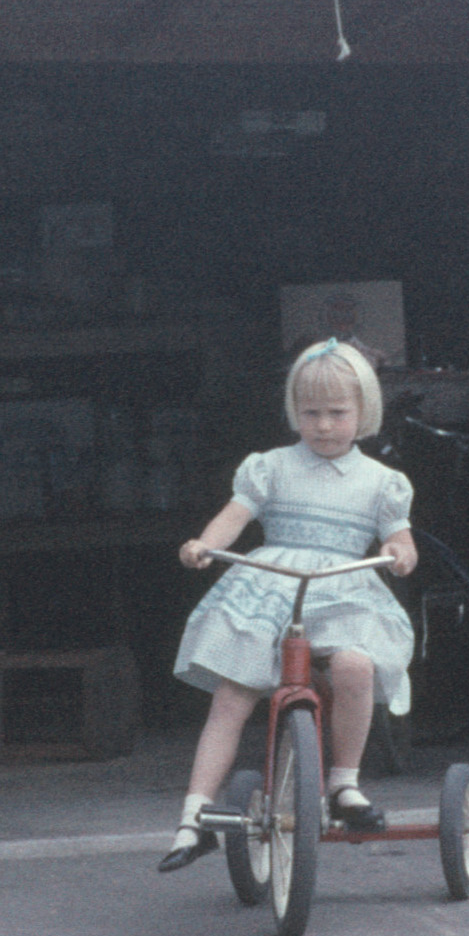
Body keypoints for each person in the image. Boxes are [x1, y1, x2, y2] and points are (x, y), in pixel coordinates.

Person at [158, 338, 419, 872]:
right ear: (294, 411)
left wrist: (400, 555)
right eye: (310, 413)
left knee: (355, 666)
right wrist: (205, 544)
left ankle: (344, 783)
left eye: (337, 413)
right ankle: (194, 815)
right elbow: (235, 515)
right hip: (273, 587)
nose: (323, 426)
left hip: (342, 591)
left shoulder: (381, 482)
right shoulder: (271, 467)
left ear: (364, 410)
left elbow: (400, 539)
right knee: (232, 692)